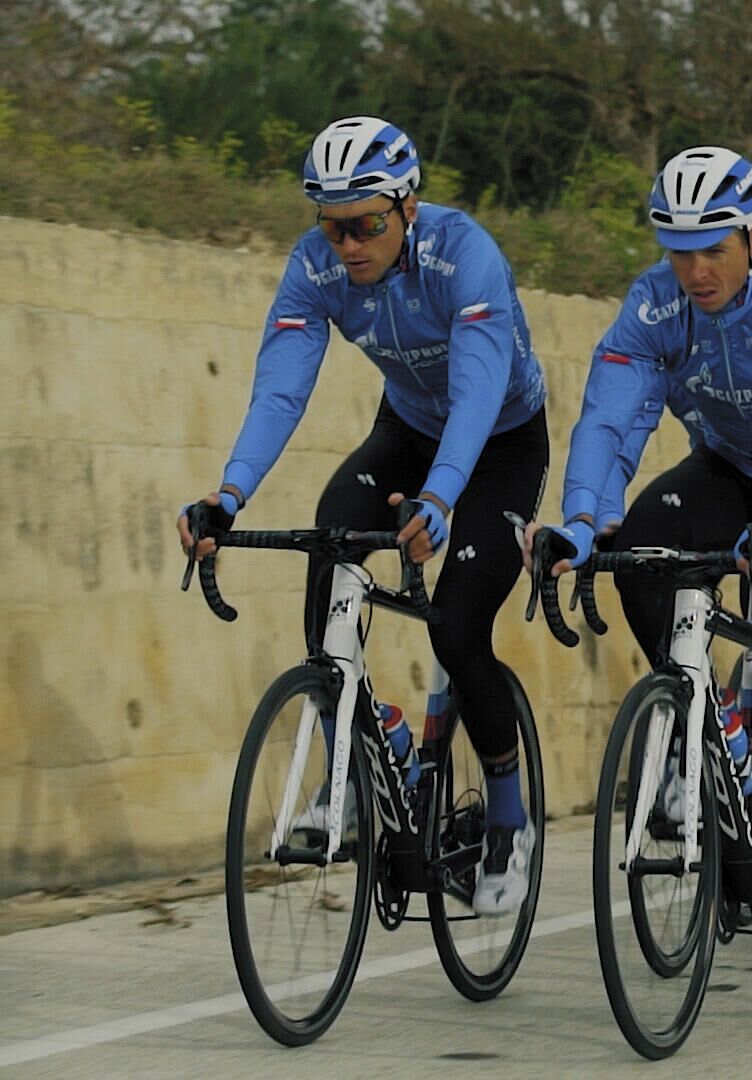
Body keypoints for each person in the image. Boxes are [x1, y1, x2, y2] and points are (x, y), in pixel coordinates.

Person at [175, 116, 549, 915]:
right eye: (332, 224)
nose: (348, 245)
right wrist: (227, 495)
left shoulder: (464, 253)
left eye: (366, 224)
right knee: (331, 533)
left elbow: (481, 388)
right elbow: (281, 388)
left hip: (501, 443)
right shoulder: (314, 268)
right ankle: (355, 748)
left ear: (407, 207)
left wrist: (443, 497)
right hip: (409, 430)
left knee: (454, 625)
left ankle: (510, 816)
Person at [533, 146, 752, 966]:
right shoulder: (655, 306)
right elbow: (612, 418)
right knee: (641, 551)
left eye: (712, 247)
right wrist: (583, 519)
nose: (693, 269)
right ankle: (705, 727)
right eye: (676, 248)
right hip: (726, 461)